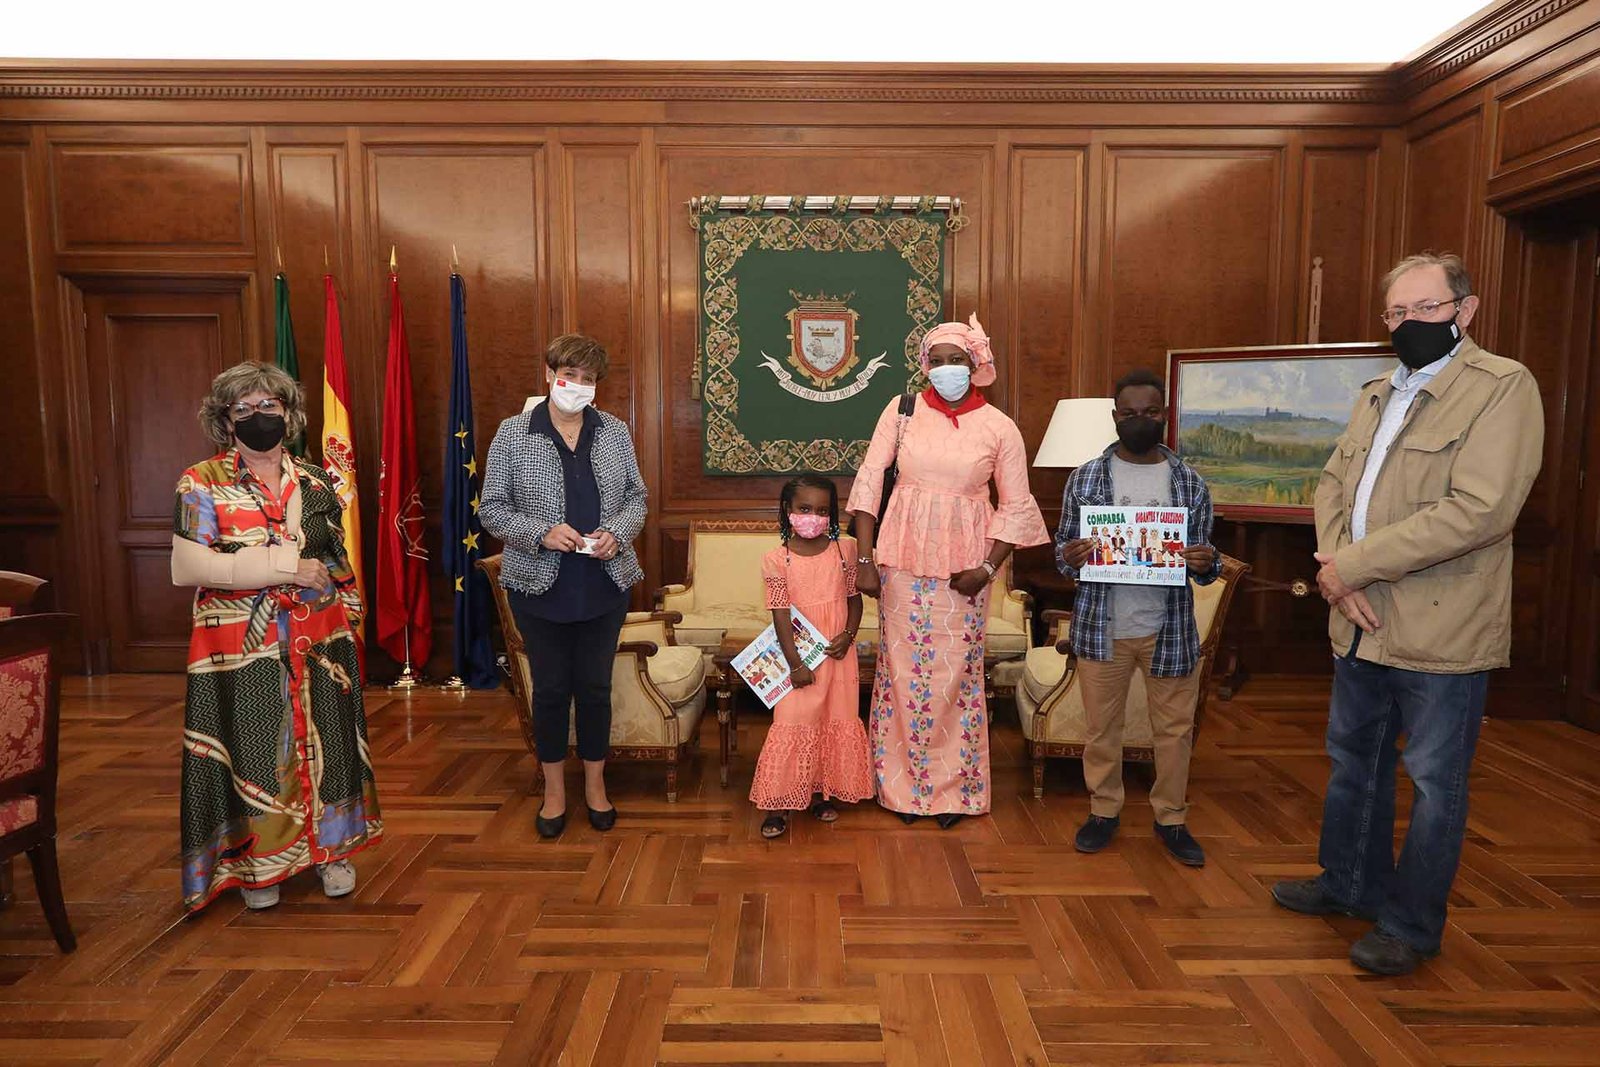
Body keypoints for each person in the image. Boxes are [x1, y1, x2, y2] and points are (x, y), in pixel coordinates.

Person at [1271, 252, 1544, 975]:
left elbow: (1480, 510)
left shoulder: (1501, 388)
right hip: (1357, 617)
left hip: (1441, 626)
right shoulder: (1375, 393)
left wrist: (1353, 566)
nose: (1408, 324)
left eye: (1424, 309)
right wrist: (1336, 569)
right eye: (1395, 312)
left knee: (1433, 781)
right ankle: (1349, 882)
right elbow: (1332, 483)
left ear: (1465, 310)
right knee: (1352, 762)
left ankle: (1410, 924)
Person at [171, 362, 380, 912]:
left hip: (320, 637)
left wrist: (350, 620)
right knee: (256, 750)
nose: (258, 417)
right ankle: (260, 869)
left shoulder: (315, 482)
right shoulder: (201, 481)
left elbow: (335, 559)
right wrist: (283, 568)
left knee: (328, 744)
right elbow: (191, 565)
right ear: (224, 419)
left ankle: (332, 853)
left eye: (270, 406)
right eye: (244, 409)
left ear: (289, 415)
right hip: (240, 647)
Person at [848, 314, 1049, 829]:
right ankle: (899, 791)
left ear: (977, 364)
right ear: (923, 367)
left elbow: (1018, 506)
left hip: (967, 570)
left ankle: (952, 793)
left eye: (955, 360)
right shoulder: (901, 411)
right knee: (899, 675)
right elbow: (870, 482)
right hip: (900, 561)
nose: (946, 370)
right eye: (936, 361)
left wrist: (987, 568)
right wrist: (866, 562)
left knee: (955, 678)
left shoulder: (1000, 427)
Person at [480, 334, 648, 839]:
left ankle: (596, 787)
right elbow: (490, 509)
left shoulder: (614, 432)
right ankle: (555, 792)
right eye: (568, 375)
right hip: (538, 587)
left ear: (598, 386)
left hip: (603, 584)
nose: (576, 386)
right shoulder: (513, 434)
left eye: (588, 379)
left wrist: (617, 533)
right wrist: (539, 532)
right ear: (548, 374)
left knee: (595, 689)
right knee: (551, 691)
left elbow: (637, 499)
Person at [1056, 368, 1222, 867]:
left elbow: (1208, 562)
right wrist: (1074, 553)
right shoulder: (1084, 477)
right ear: (1115, 417)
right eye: (1129, 414)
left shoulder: (1189, 482)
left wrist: (1204, 561)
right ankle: (1104, 810)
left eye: (1150, 413)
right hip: (1100, 627)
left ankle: (1171, 817)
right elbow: (1062, 557)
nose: (1140, 421)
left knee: (1174, 731)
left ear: (1164, 417)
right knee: (1100, 730)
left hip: (1168, 630)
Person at [751, 476, 874, 838]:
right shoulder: (777, 559)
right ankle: (779, 804)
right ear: (788, 511)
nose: (813, 517)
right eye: (804, 509)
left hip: (838, 655)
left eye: (822, 511)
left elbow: (855, 599)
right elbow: (780, 615)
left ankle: (822, 794)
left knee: (832, 721)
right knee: (794, 723)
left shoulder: (845, 551)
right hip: (799, 660)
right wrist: (795, 665)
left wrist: (849, 636)